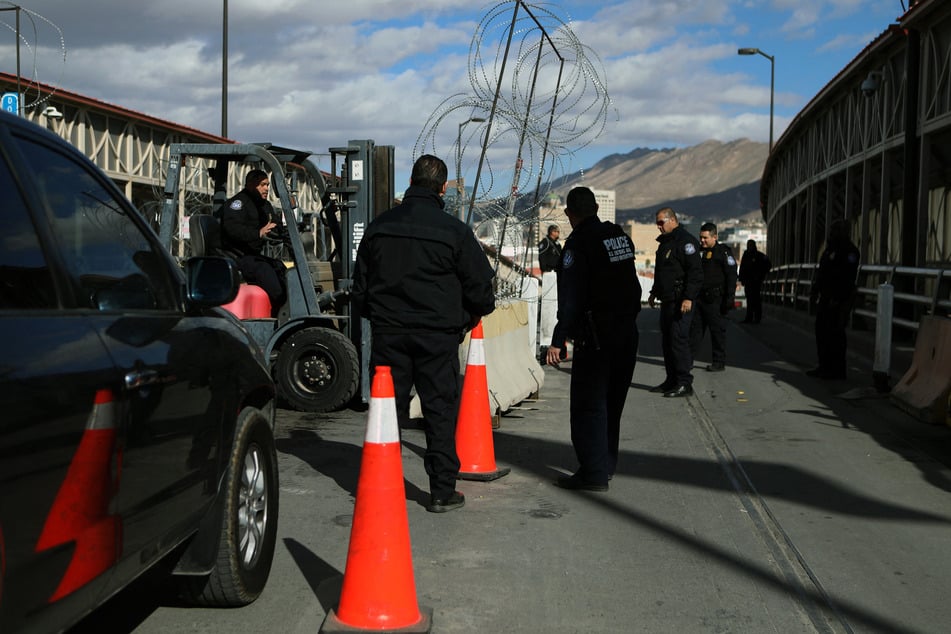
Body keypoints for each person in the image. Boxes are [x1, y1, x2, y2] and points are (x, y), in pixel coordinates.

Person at [351, 154, 496, 514]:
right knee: (439, 412)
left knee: (387, 412)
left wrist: (382, 317)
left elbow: (360, 290)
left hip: (389, 335)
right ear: (443, 187)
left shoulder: (379, 227)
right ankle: (442, 491)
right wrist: (461, 318)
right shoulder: (454, 231)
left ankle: (382, 488)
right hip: (437, 336)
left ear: (412, 182)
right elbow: (482, 291)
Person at [546, 187, 641, 491]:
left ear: (569, 214)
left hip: (597, 336)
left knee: (589, 406)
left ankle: (593, 472)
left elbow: (571, 300)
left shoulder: (578, 244)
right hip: (627, 332)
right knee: (613, 404)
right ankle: (606, 464)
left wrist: (558, 339)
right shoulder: (618, 236)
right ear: (597, 208)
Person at [647, 207, 703, 397]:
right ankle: (671, 380)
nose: (658, 226)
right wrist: (654, 292)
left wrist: (688, 297)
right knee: (667, 341)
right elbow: (662, 271)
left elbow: (695, 273)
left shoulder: (686, 242)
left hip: (681, 300)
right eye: (657, 223)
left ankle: (684, 382)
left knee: (679, 340)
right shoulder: (665, 243)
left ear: (672, 220)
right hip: (668, 299)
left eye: (661, 222)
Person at [219, 169, 287, 317]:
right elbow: (232, 230)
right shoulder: (238, 204)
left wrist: (278, 229)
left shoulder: (264, 205)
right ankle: (279, 309)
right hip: (237, 256)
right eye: (262, 185)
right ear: (251, 184)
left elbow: (274, 221)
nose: (266, 188)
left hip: (253, 256)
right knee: (266, 273)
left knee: (279, 267)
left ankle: (281, 309)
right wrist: (258, 233)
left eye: (268, 185)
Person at [807, 219, 860, 380]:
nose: (831, 234)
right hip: (826, 297)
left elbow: (847, 278)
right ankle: (824, 366)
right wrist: (815, 291)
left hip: (838, 299)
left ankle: (837, 370)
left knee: (836, 334)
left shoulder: (850, 251)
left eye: (834, 231)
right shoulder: (829, 249)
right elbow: (822, 272)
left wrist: (838, 298)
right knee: (822, 332)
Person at [689, 222, 738, 372]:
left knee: (717, 332)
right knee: (695, 332)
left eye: (705, 238)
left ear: (715, 237)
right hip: (700, 299)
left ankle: (718, 361)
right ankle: (687, 360)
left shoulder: (723, 252)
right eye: (700, 237)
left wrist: (729, 299)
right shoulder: (698, 252)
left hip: (716, 301)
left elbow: (731, 276)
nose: (702, 241)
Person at [738, 239, 771, 323]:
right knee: (749, 299)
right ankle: (749, 317)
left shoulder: (759, 256)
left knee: (756, 299)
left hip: (756, 282)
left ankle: (757, 317)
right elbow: (743, 267)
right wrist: (742, 278)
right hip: (749, 281)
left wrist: (761, 275)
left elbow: (768, 265)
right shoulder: (746, 255)